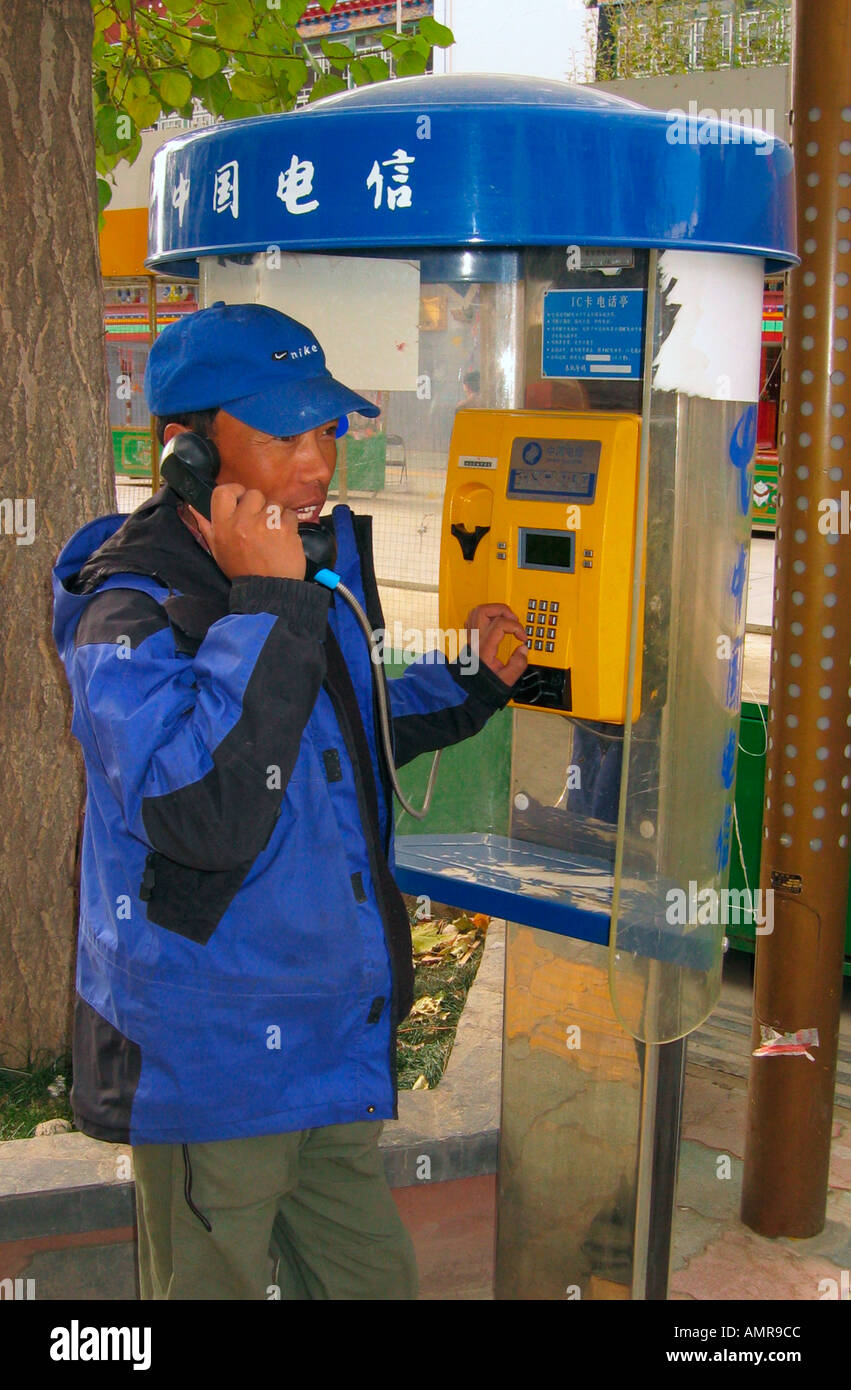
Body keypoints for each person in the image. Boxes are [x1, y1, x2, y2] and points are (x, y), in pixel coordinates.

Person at [52, 302, 527, 1301]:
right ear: (184, 452)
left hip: (325, 1028)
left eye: (326, 429)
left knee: (367, 1276)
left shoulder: (305, 569)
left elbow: (339, 730)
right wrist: (266, 606)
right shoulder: (128, 611)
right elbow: (205, 813)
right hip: (212, 1048)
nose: (318, 463)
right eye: (282, 434)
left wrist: (470, 682)